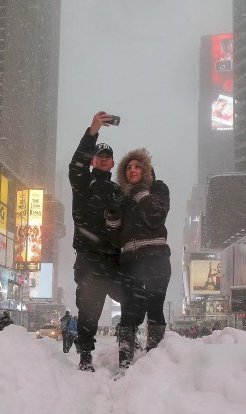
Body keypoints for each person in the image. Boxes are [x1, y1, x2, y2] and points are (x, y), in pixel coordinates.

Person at [105, 147, 171, 374]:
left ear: (147, 170)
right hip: (130, 261)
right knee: (128, 311)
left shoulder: (158, 188)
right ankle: (124, 363)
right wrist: (112, 214)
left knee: (155, 307)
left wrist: (139, 191)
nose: (132, 170)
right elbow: (115, 237)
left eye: (137, 166)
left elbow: (155, 217)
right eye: (128, 167)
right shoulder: (123, 197)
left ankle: (155, 360)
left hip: (156, 258)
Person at [68, 111, 124, 372]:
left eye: (107, 157)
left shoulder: (117, 191)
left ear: (112, 164)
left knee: (133, 298)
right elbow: (76, 163)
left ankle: (127, 344)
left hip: (113, 258)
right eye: (99, 156)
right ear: (93, 161)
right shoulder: (82, 182)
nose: (103, 159)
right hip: (89, 256)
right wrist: (93, 130)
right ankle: (85, 356)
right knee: (89, 308)